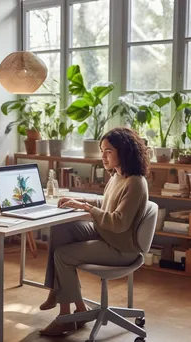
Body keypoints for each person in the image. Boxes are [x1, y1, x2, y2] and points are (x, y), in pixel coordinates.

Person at [39, 127, 150, 336]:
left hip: (120, 247)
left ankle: (66, 315)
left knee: (62, 256)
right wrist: (81, 200)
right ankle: (73, 308)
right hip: (107, 234)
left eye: (108, 151)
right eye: (102, 150)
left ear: (123, 151)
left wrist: (86, 209)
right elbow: (105, 202)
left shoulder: (135, 182)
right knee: (60, 229)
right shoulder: (118, 176)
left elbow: (118, 222)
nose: (103, 156)